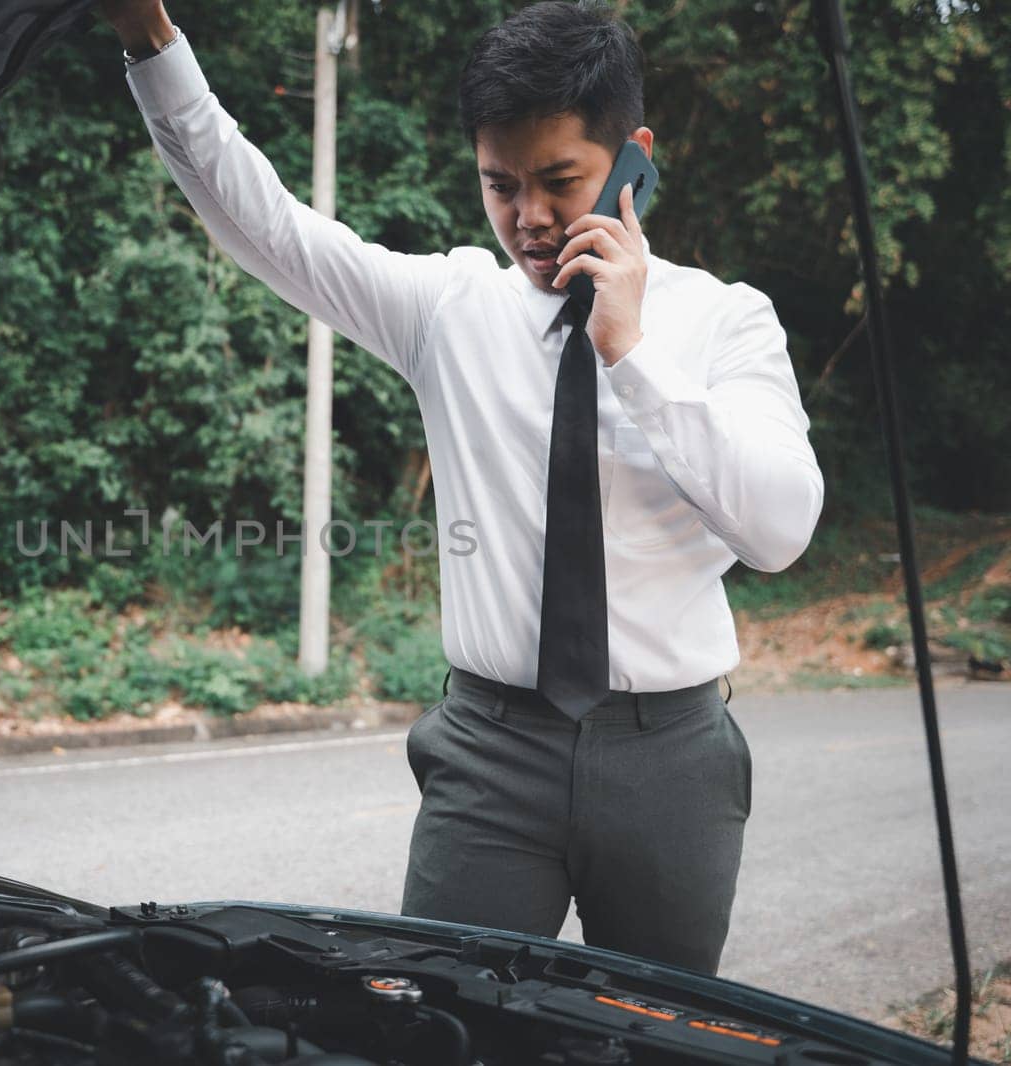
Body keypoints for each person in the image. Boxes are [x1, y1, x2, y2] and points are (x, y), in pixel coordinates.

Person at [99, 0, 823, 975]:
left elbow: (778, 529)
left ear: (634, 155)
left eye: (559, 180)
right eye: (500, 183)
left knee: (656, 1034)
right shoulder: (448, 306)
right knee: (432, 1021)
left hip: (669, 757)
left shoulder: (726, 321)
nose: (527, 216)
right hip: (490, 746)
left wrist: (634, 355)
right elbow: (265, 225)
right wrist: (150, 38)